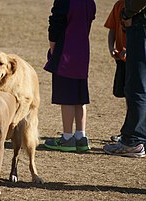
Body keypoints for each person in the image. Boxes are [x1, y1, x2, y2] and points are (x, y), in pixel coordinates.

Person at [43, 0, 96, 152]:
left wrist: (53, 47)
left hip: (65, 51)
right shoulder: (89, 2)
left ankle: (67, 138)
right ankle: (81, 137)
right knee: (80, 96)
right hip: (82, 50)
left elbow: (56, 22)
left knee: (66, 97)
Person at [103, 0, 146, 157]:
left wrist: (128, 13)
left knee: (137, 88)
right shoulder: (117, 5)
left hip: (141, 24)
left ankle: (132, 141)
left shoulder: (124, 7)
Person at [104, 0, 126, 142]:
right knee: (127, 96)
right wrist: (111, 48)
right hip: (122, 61)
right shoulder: (119, 5)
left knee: (137, 97)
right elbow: (112, 29)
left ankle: (134, 134)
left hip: (138, 60)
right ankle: (128, 132)